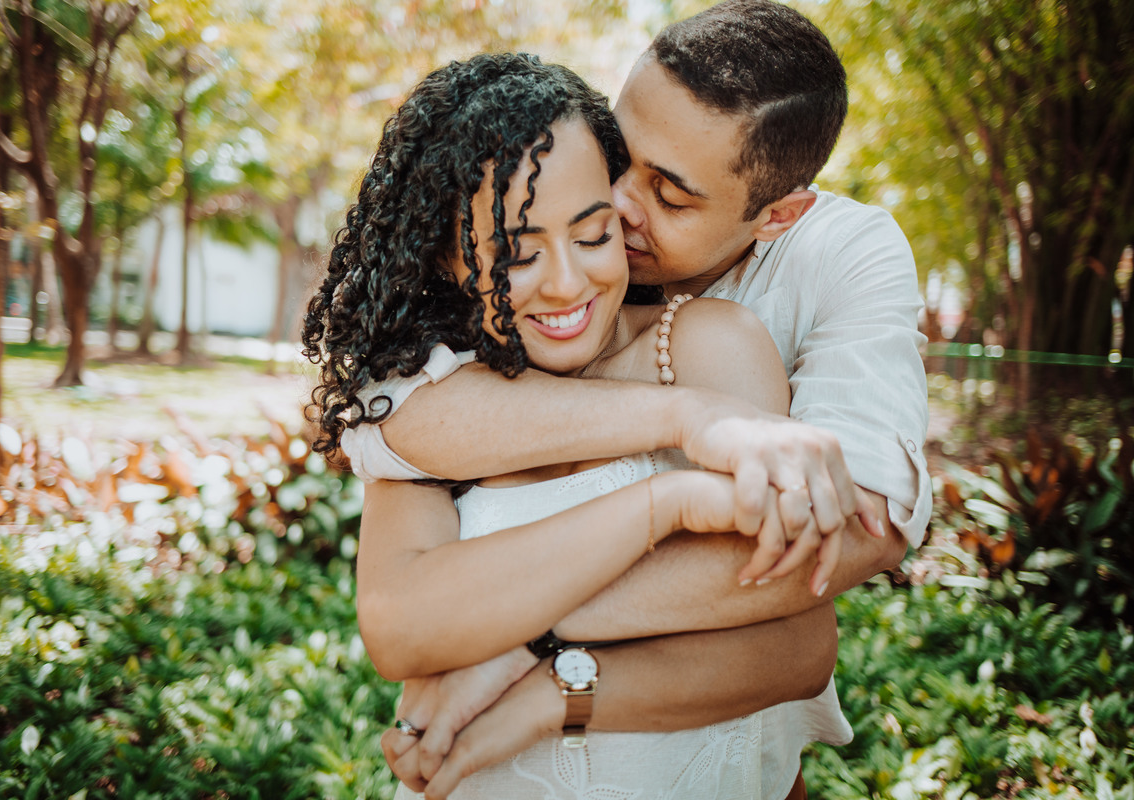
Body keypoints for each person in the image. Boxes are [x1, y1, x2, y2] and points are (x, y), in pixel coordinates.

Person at [340, 0, 931, 793]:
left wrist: (524, 645)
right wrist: (686, 435)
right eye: (620, 154)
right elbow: (392, 440)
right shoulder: (458, 331)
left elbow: (853, 531)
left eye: (669, 196)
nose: (617, 205)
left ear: (777, 216)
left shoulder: (767, 305)